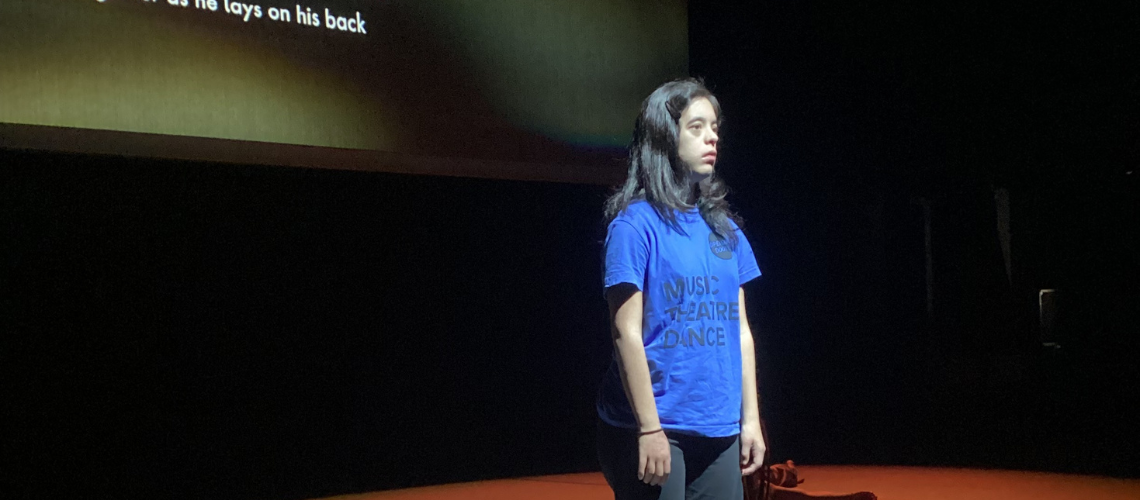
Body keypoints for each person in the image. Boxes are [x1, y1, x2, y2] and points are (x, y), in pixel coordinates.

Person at [596, 77, 766, 500]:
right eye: (697, 127)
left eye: (715, 128)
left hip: (718, 427)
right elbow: (625, 333)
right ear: (664, 137)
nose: (712, 137)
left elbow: (740, 330)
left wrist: (750, 419)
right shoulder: (635, 227)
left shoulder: (726, 231)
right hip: (655, 426)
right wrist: (649, 428)